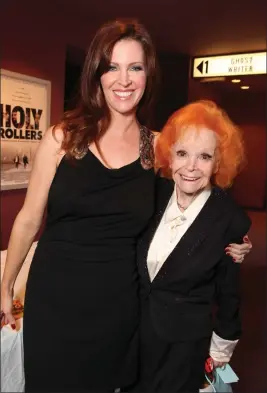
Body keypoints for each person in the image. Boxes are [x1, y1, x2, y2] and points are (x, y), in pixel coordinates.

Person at [1, 20, 251, 393]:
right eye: (112, 67)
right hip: (54, 300)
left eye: (135, 68)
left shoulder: (159, 148)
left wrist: (234, 237)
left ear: (147, 76)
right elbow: (27, 220)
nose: (124, 80)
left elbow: (196, 195)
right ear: (97, 74)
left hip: (119, 307)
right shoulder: (62, 139)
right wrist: (6, 287)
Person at [135, 100, 252, 393]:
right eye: (183, 153)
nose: (191, 167)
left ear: (217, 163)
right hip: (135, 337)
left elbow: (229, 297)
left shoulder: (230, 220)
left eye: (204, 156)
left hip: (183, 348)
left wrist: (219, 354)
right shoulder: (152, 195)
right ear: (169, 156)